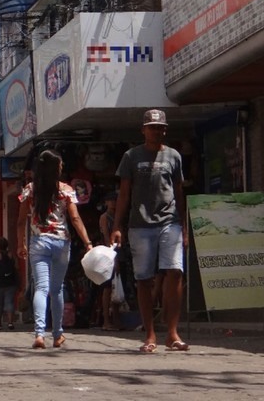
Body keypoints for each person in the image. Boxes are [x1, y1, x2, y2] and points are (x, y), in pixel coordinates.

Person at [111, 108, 189, 354]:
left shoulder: (174, 156)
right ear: (143, 129)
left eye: (161, 127)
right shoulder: (131, 156)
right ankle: (150, 333)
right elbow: (124, 193)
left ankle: (173, 333)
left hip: (170, 221)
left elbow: (178, 191)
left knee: (175, 271)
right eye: (153, 127)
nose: (158, 131)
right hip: (140, 224)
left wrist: (184, 225)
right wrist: (116, 226)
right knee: (144, 279)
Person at [17, 150, 93, 349]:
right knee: (56, 288)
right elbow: (75, 219)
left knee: (40, 288)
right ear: (55, 168)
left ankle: (40, 334)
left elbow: (19, 222)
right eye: (60, 165)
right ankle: (58, 334)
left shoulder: (30, 190)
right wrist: (87, 243)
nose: (62, 168)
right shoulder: (66, 190)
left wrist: (20, 244)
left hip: (39, 242)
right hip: (61, 242)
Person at [99, 193, 121, 331]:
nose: (113, 203)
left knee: (117, 288)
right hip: (108, 254)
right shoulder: (104, 217)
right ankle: (106, 320)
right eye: (111, 201)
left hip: (120, 253)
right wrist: (113, 257)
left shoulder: (119, 216)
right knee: (107, 288)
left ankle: (117, 320)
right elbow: (107, 237)